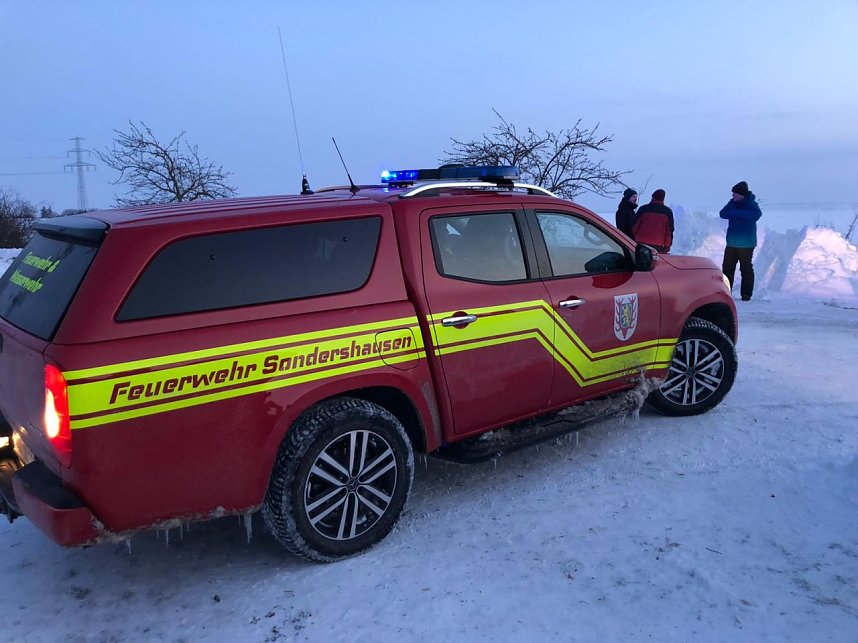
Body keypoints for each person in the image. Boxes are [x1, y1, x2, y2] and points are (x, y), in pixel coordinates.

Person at [719, 181, 762, 301]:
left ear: (741, 195)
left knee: (746, 268)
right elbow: (722, 213)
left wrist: (736, 214)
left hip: (747, 243)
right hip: (732, 242)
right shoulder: (732, 203)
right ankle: (726, 292)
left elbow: (757, 215)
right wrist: (734, 212)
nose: (733, 196)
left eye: (735, 194)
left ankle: (746, 294)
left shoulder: (751, 204)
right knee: (727, 268)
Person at [632, 188, 674, 253]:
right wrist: (667, 246)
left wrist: (633, 238)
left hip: (641, 243)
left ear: (653, 197)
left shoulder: (643, 209)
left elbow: (634, 226)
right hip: (658, 245)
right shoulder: (667, 212)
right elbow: (669, 231)